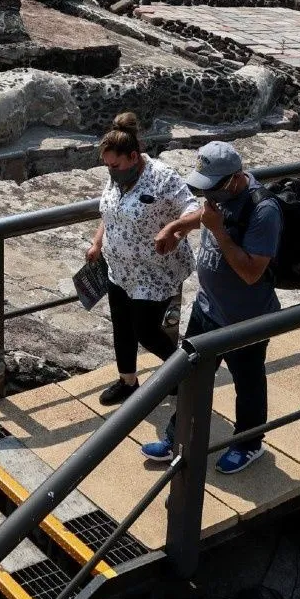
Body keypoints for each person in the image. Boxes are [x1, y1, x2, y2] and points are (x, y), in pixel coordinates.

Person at [142, 141, 282, 474]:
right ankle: (178, 436)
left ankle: (249, 443)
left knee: (247, 384)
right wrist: (176, 226)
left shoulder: (264, 211)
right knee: (191, 377)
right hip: (207, 308)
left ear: (234, 179)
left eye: (213, 187)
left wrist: (218, 230)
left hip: (245, 319)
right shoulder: (222, 195)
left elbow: (251, 272)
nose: (208, 195)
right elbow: (205, 216)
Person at [86, 113, 198, 405]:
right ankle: (128, 382)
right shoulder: (117, 176)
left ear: (133, 157)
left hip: (153, 271)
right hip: (119, 269)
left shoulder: (162, 177)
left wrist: (174, 231)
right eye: (107, 166)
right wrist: (97, 242)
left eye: (115, 165)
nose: (111, 171)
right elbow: (110, 212)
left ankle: (184, 373)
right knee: (122, 327)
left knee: (146, 331)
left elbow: (193, 210)